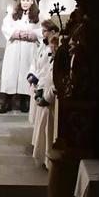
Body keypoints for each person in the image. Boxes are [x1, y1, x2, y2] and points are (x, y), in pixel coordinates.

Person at [0, 0, 41, 113]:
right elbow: (5, 27)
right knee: (11, 73)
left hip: (29, 48)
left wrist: (32, 34)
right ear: (20, 1)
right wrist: (15, 33)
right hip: (14, 47)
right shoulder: (13, 14)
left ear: (32, 2)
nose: (25, 3)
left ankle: (24, 100)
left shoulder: (37, 16)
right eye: (23, 0)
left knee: (25, 72)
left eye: (27, 0)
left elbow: (42, 30)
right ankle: (7, 102)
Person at [29, 22, 60, 167]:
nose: (51, 49)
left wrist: (45, 97)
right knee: (42, 131)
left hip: (51, 102)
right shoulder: (45, 48)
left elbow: (54, 81)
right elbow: (43, 71)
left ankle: (49, 162)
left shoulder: (58, 62)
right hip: (44, 94)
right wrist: (39, 89)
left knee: (49, 133)